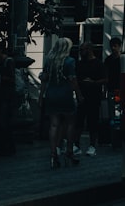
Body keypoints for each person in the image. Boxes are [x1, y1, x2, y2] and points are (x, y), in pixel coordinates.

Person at [41, 37, 83, 168]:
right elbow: (73, 81)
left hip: (51, 94)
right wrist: (79, 95)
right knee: (70, 123)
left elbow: (44, 79)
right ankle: (69, 152)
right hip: (65, 94)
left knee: (54, 125)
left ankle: (53, 154)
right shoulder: (70, 61)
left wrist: (41, 96)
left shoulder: (49, 60)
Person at [75, 42, 106, 156]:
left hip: (94, 95)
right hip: (82, 95)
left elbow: (105, 79)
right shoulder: (79, 64)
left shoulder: (98, 64)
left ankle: (92, 145)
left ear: (89, 50)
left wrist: (94, 83)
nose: (81, 52)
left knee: (93, 121)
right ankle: (76, 144)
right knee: (79, 121)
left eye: (82, 50)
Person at [0, 41, 17, 156]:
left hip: (5, 95)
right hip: (1, 95)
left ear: (0, 50)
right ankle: (5, 146)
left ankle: (7, 146)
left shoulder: (7, 61)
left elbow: (11, 78)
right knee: (2, 121)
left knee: (3, 121)